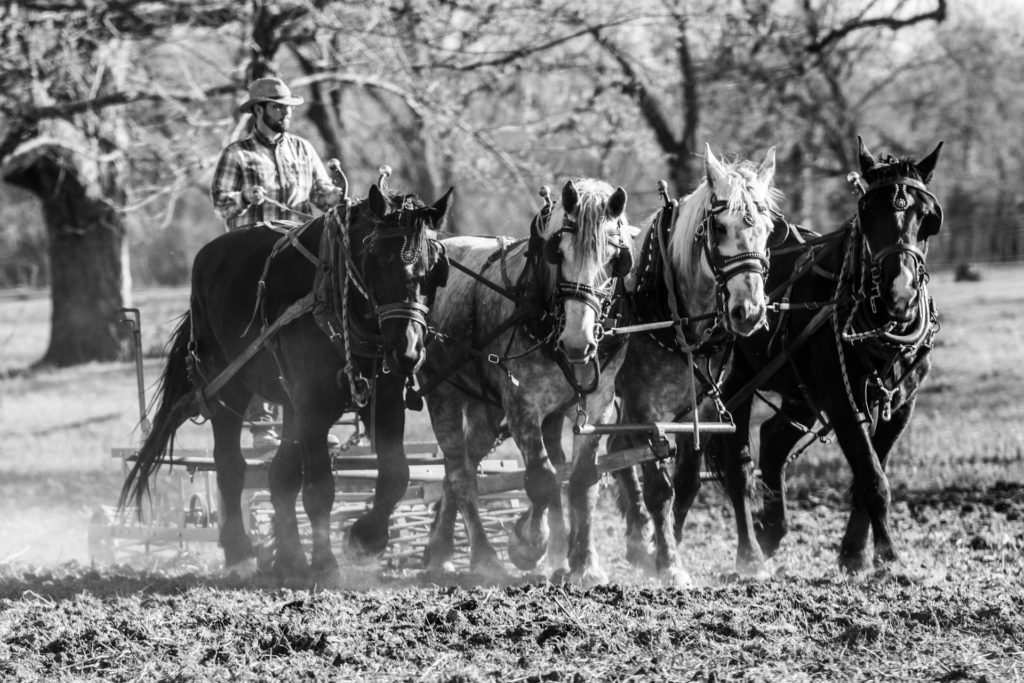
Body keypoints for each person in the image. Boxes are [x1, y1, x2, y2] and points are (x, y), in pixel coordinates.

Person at [210, 76, 343, 451]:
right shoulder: (237, 155)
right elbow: (221, 202)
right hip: (250, 256)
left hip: (298, 256)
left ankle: (310, 418)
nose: (285, 113)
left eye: (288, 107)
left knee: (317, 325)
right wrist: (244, 196)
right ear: (258, 110)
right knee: (253, 333)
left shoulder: (302, 149)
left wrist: (335, 194)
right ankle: (261, 425)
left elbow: (320, 194)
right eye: (277, 106)